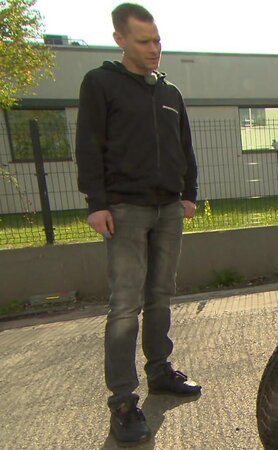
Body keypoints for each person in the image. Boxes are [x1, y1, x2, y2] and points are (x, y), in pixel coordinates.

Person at [75, 3, 201, 446]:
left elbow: (185, 144)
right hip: (125, 209)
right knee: (125, 305)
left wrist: (189, 193)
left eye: (158, 40)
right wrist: (97, 202)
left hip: (169, 208)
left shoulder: (169, 92)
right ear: (120, 39)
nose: (155, 49)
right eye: (144, 41)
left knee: (161, 295)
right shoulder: (101, 84)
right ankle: (123, 402)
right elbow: (89, 145)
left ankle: (160, 371)